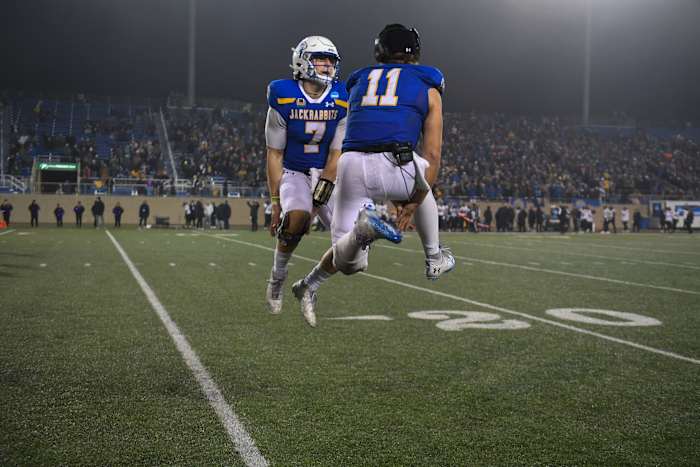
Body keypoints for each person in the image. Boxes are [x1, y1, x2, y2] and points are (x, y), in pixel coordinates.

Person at [291, 24, 455, 327]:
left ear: (379, 52)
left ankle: (312, 282)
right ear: (415, 53)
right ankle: (434, 258)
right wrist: (414, 201)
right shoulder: (428, 82)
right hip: (400, 163)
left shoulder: (358, 80)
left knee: (349, 262)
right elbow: (433, 156)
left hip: (351, 165)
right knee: (424, 174)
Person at [264, 34, 348, 314]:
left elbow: (337, 152)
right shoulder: (283, 93)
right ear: (302, 61)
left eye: (330, 60)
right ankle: (277, 277)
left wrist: (326, 182)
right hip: (295, 172)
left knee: (353, 253)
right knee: (296, 218)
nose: (326, 66)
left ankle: (308, 285)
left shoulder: (341, 97)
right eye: (320, 59)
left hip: (328, 173)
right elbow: (274, 154)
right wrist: (276, 205)